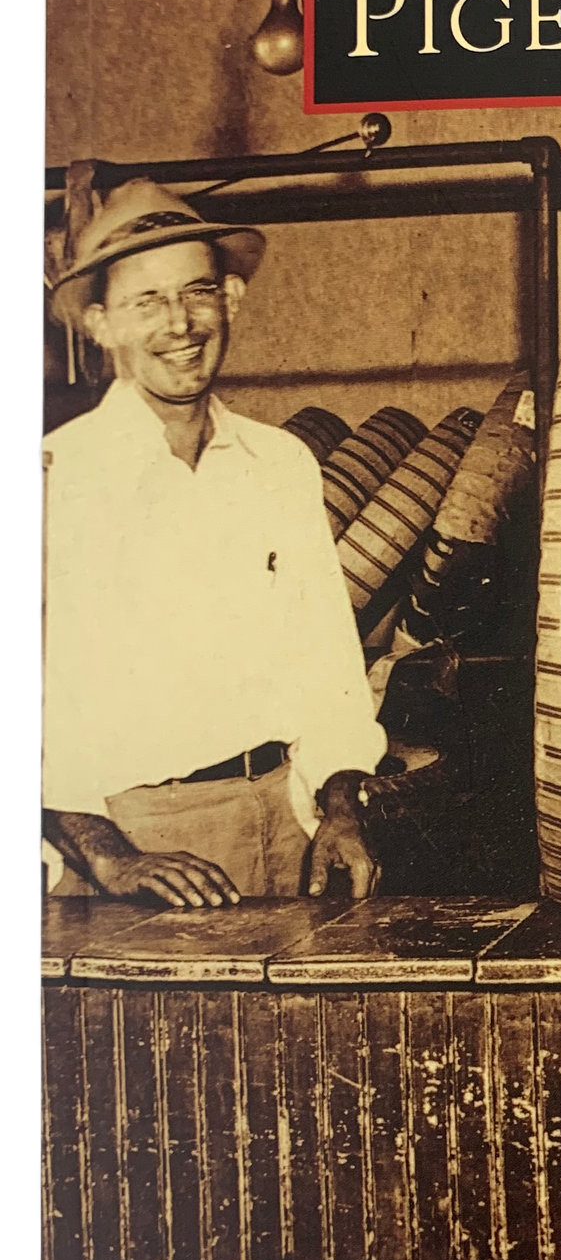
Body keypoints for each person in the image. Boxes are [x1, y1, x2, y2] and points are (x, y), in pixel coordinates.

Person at [42, 179, 387, 907]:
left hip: (284, 823)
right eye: (147, 301)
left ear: (231, 299)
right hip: (126, 844)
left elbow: (327, 667)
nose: (180, 323)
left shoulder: (280, 464)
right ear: (101, 325)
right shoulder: (59, 475)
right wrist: (113, 862)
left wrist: (340, 807)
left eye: (197, 292)